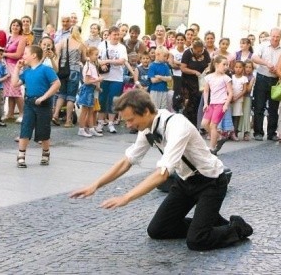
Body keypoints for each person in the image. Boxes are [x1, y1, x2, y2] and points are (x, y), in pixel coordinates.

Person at [69, 89, 253, 251]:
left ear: (147, 111)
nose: (128, 125)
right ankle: (208, 221)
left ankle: (237, 227)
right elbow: (127, 161)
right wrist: (95, 185)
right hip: (185, 181)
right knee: (157, 230)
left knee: (197, 241)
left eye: (131, 119)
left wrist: (126, 198)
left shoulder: (177, 125)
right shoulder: (147, 129)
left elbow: (162, 174)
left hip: (210, 182)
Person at [12, 45, 61, 168]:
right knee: (25, 128)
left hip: (43, 104)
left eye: (26, 53)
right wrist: (17, 69)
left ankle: (45, 153)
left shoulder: (46, 69)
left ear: (33, 55)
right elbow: (14, 84)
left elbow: (56, 84)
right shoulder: (27, 71)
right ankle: (21, 155)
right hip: (29, 102)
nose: (23, 56)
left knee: (43, 130)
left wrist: (44, 97)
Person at [251, 28, 281, 141]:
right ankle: (258, 132)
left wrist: (277, 71)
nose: (275, 39)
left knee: (274, 108)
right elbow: (254, 58)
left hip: (275, 80)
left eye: (277, 37)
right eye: (273, 36)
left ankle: (271, 133)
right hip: (262, 78)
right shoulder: (262, 45)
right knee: (259, 106)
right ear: (270, 35)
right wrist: (266, 63)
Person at [53, 25, 87, 128]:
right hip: (74, 72)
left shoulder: (63, 41)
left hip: (63, 71)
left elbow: (56, 53)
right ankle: (68, 121)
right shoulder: (81, 44)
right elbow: (84, 59)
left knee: (61, 94)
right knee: (71, 97)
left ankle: (55, 115)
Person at [95, 25, 128, 134]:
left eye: (118, 34)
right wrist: (102, 63)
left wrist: (107, 61)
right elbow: (96, 58)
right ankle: (100, 122)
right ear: (109, 35)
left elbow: (122, 61)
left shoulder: (122, 47)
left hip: (117, 77)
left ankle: (111, 123)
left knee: (113, 101)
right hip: (104, 77)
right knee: (102, 99)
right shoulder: (102, 45)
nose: (116, 37)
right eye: (114, 34)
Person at [201, 55, 233, 154]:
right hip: (212, 104)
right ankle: (219, 137)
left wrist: (226, 104)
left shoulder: (226, 78)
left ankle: (212, 147)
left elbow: (230, 93)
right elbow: (206, 91)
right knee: (204, 123)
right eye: (224, 64)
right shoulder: (208, 77)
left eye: (227, 65)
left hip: (221, 103)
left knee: (213, 125)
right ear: (216, 64)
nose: (226, 67)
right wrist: (205, 103)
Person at [181, 39, 211, 127]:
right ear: (193, 49)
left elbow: (209, 64)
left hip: (201, 81)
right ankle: (188, 124)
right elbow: (183, 68)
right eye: (197, 51)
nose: (200, 52)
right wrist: (194, 71)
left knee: (199, 102)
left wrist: (207, 70)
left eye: (201, 50)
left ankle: (198, 125)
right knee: (190, 104)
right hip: (188, 82)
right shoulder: (187, 53)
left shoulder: (205, 53)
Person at [3, 19, 26, 123]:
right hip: (7, 65)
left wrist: (4, 54)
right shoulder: (9, 37)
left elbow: (18, 54)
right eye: (13, 25)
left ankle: (22, 113)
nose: (15, 27)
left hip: (15, 65)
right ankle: (10, 113)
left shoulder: (22, 38)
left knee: (16, 90)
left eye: (17, 25)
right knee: (9, 91)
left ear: (20, 28)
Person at [77, 46, 103, 137]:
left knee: (91, 110)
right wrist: (98, 79)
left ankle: (91, 128)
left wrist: (97, 87)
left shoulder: (92, 65)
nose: (97, 56)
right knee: (85, 110)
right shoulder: (88, 66)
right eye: (96, 55)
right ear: (89, 55)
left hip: (92, 90)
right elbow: (87, 81)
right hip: (87, 90)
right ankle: (81, 129)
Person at [231, 61, 248, 141]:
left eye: (240, 67)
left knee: (236, 116)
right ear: (233, 68)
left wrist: (236, 97)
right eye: (236, 67)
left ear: (243, 68)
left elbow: (244, 90)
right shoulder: (231, 77)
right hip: (230, 99)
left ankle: (235, 133)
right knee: (230, 116)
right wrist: (231, 97)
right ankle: (228, 133)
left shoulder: (244, 78)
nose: (238, 69)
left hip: (239, 100)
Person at [238, 60, 255, 141]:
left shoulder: (252, 77)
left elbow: (248, 89)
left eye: (250, 67)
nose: (248, 69)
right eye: (246, 67)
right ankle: (236, 130)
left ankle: (246, 132)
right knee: (238, 114)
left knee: (246, 114)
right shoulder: (239, 75)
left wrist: (244, 84)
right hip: (238, 97)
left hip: (247, 97)